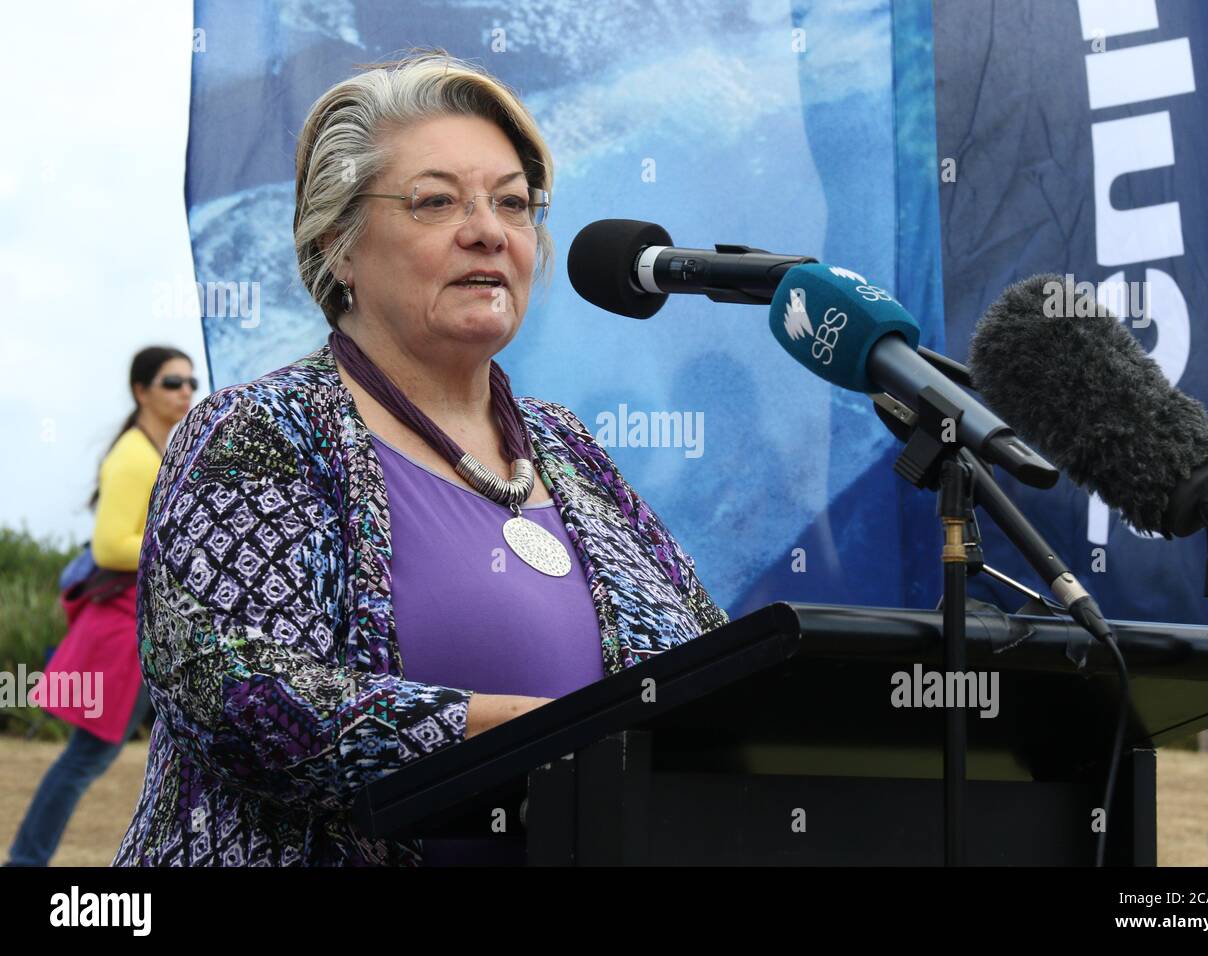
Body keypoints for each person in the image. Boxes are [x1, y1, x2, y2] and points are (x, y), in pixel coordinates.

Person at [113, 49, 728, 868]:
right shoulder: (255, 430)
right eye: (437, 201)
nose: (488, 229)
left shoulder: (570, 448)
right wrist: (538, 737)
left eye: (513, 203)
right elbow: (234, 691)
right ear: (339, 245)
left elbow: (710, 663)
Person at [5, 347, 196, 866]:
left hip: (138, 630)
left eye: (190, 381)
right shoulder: (134, 457)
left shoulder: (151, 451)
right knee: (87, 758)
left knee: (172, 752)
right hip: (119, 634)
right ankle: (25, 861)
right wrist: (188, 550)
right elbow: (111, 545)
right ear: (141, 391)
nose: (186, 391)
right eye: (172, 381)